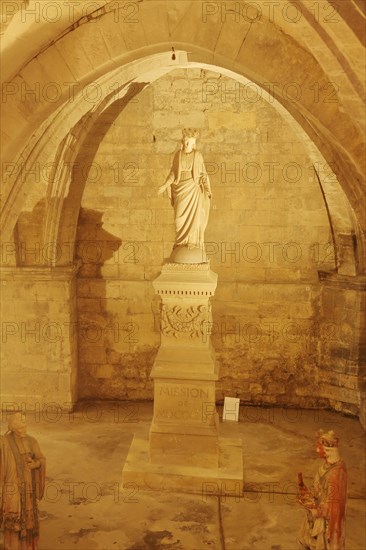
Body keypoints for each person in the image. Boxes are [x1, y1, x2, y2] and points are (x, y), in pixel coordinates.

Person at [158, 128, 212, 254]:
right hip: (180, 188)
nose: (188, 144)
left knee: (194, 218)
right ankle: (180, 242)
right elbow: (173, 173)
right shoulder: (178, 155)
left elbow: (203, 174)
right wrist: (165, 184)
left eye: (191, 142)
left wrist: (208, 189)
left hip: (193, 188)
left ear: (194, 143)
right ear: (183, 141)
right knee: (178, 219)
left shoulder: (197, 155)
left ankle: (191, 242)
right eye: (186, 141)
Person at [0, 413, 46, 550]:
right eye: (21, 425)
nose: (24, 427)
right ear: (13, 427)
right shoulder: (4, 442)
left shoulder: (32, 441)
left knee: (29, 520)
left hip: (28, 488)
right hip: (11, 487)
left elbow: (41, 459)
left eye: (25, 424)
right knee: (13, 521)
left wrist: (35, 464)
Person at [297, 429, 347, 550]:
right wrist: (307, 494)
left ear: (328, 450)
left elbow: (335, 503)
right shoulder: (323, 467)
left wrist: (318, 511)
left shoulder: (337, 472)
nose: (317, 450)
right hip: (316, 514)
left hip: (327, 522)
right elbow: (317, 488)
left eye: (319, 447)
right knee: (306, 541)